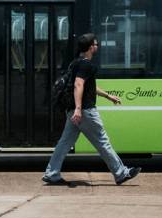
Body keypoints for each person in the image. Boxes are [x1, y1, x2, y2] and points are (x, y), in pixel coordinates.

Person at [42, 33, 141, 186]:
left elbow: (89, 86)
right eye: (96, 44)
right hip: (85, 112)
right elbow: (78, 85)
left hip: (74, 111)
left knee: (65, 143)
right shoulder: (86, 65)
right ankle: (121, 173)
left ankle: (52, 173)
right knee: (102, 141)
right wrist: (79, 109)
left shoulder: (75, 63)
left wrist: (108, 96)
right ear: (90, 47)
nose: (97, 46)